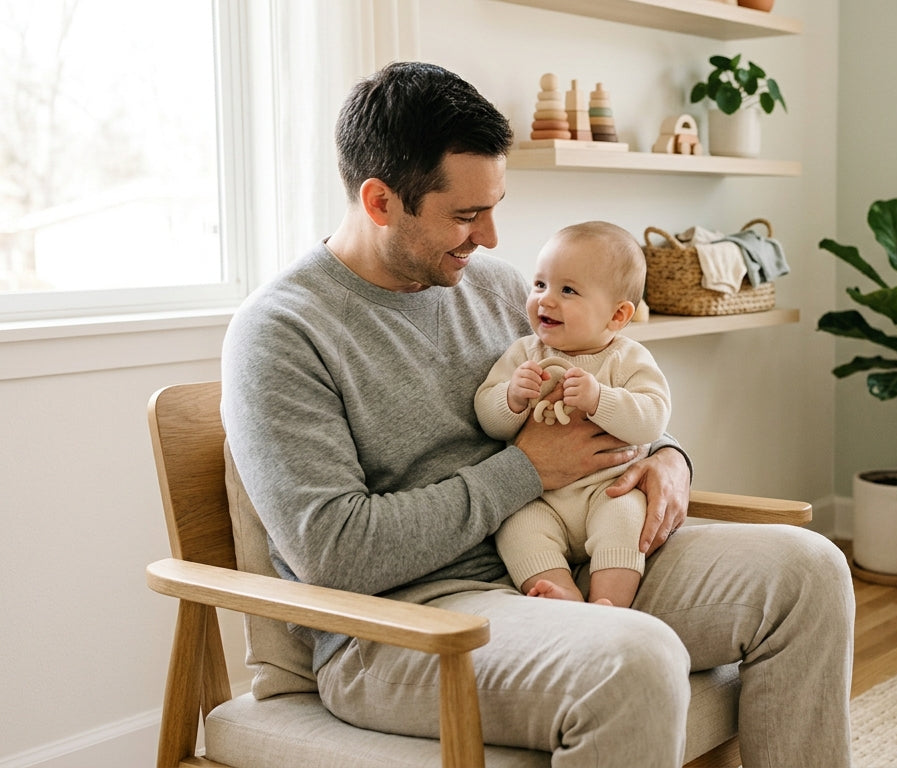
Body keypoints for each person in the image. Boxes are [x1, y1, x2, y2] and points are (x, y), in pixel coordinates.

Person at [220, 60, 854, 767]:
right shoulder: (280, 335)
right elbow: (337, 554)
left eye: (494, 206)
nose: (490, 237)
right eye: (465, 214)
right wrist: (524, 471)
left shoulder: (491, 286)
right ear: (380, 202)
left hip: (566, 551)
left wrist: (669, 458)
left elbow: (598, 371)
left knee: (809, 570)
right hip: (399, 625)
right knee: (631, 661)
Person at [476, 221, 669, 608]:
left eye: (568, 290)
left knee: (627, 519)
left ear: (617, 316)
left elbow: (653, 418)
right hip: (540, 496)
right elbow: (488, 418)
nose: (545, 300)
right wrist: (511, 399)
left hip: (607, 489)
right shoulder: (523, 355)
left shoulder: (627, 358)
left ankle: (608, 602)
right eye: (540, 284)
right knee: (516, 528)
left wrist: (601, 400)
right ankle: (560, 590)